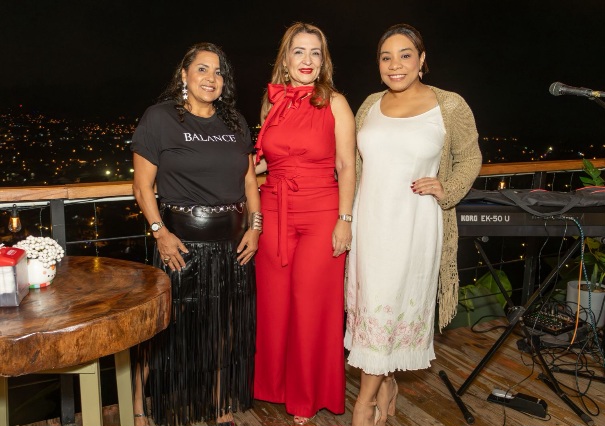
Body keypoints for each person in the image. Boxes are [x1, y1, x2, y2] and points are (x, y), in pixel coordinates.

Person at [344, 23, 482, 425]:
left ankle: (363, 402)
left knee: (387, 305)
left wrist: (447, 187)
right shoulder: (369, 105)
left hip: (413, 224)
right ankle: (386, 382)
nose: (395, 65)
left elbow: (470, 157)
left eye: (405, 55)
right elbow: (352, 163)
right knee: (372, 308)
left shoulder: (449, 105)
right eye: (386, 57)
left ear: (422, 60)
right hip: (369, 224)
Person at [130, 42, 260, 426]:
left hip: (232, 245)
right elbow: (142, 186)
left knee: (222, 328)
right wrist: (160, 233)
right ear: (184, 75)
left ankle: (219, 406)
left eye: (218, 72)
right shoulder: (159, 118)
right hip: (179, 245)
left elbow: (250, 182)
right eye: (202, 69)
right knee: (163, 327)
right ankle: (138, 406)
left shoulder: (235, 122)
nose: (211, 78)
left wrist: (255, 229)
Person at [253, 22, 356, 425]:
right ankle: (276, 387)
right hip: (274, 212)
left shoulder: (336, 103)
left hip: (321, 212)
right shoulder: (272, 101)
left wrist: (345, 219)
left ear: (324, 60)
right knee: (275, 304)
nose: (307, 60)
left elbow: (346, 165)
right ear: (286, 59)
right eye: (299, 51)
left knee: (311, 306)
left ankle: (306, 396)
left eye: (315, 52)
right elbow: (264, 160)